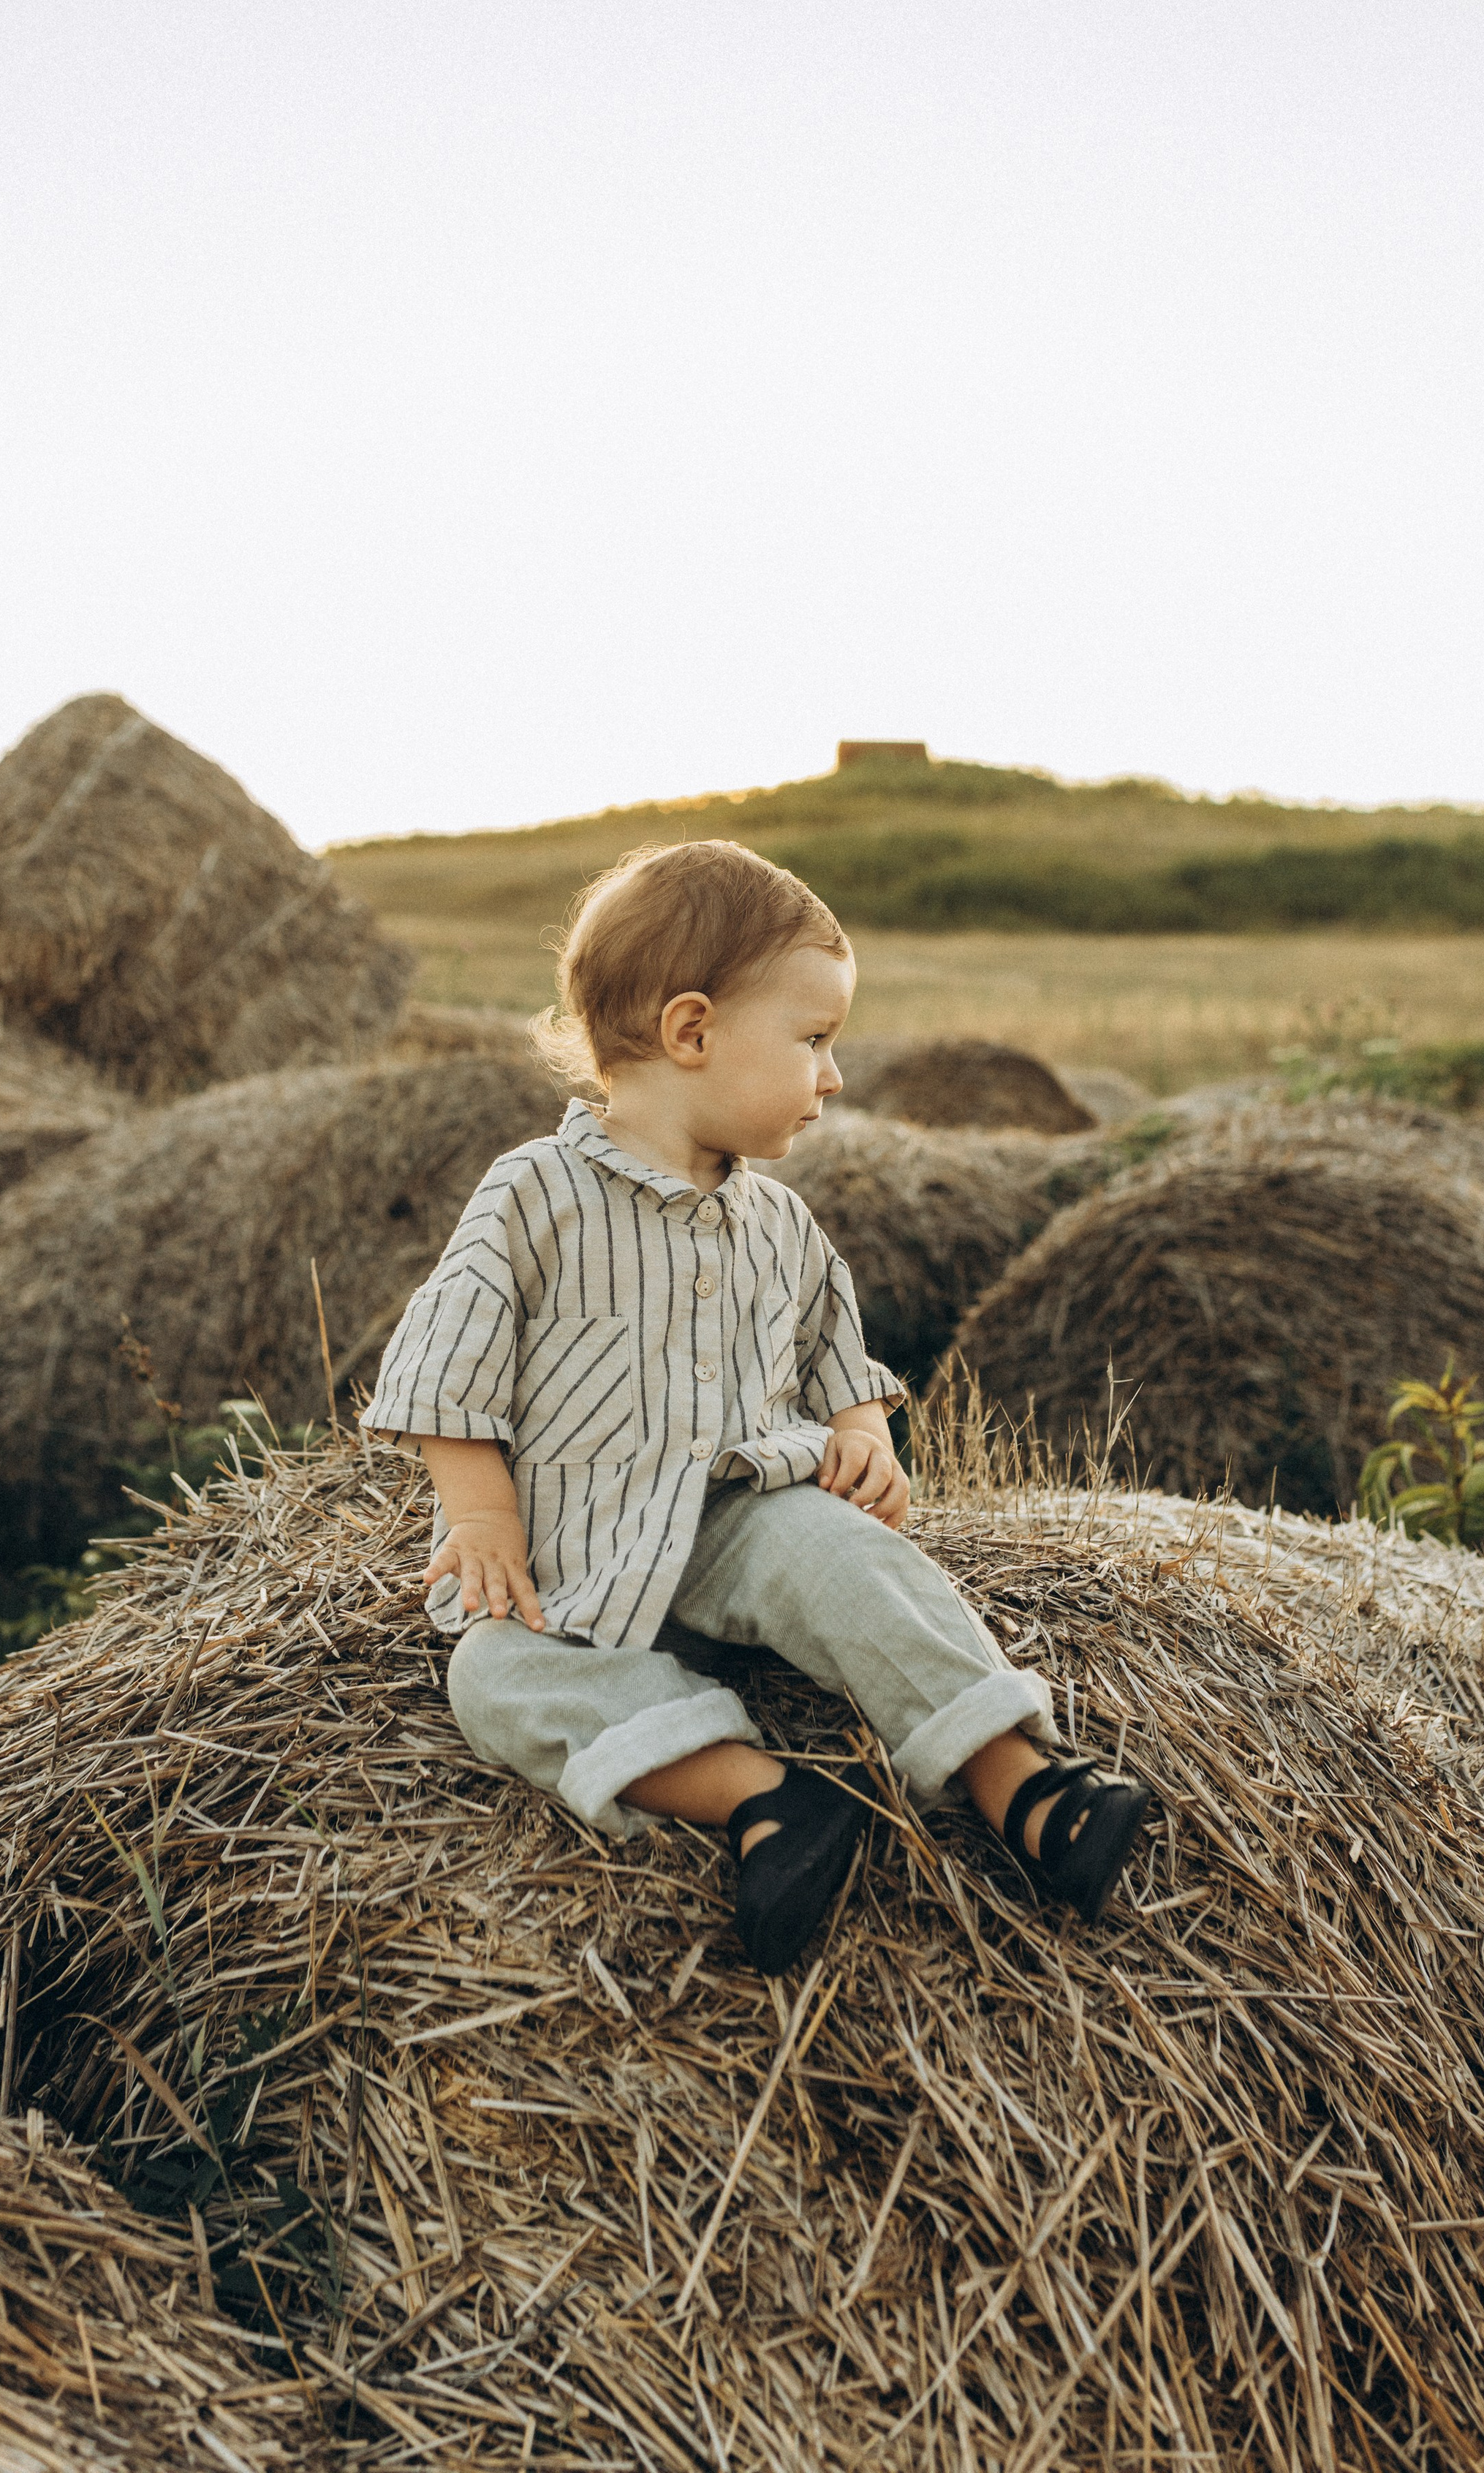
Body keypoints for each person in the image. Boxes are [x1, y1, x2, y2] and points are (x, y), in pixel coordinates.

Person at [363, 840, 1148, 1974]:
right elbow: (449, 1358)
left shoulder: (779, 1223)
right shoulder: (534, 1193)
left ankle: (1022, 1783)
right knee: (493, 1679)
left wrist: (864, 1435)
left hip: (740, 1519)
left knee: (845, 1562)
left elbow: (837, 1353)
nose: (833, 1078)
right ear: (692, 1033)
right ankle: (763, 1801)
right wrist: (481, 1521)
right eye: (814, 1041)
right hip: (572, 1550)